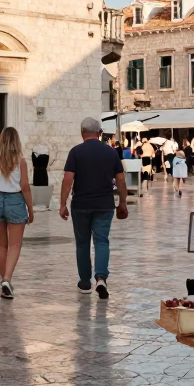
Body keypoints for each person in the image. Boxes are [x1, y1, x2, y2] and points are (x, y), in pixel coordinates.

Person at [59, 116, 129, 299]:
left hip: (81, 205)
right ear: (99, 133)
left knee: (82, 243)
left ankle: (84, 282)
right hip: (104, 205)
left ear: (82, 132)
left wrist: (62, 204)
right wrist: (122, 202)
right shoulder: (111, 153)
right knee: (102, 241)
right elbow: (120, 180)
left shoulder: (75, 152)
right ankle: (101, 278)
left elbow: (67, 180)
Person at [0, 126, 34, 300]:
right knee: (14, 245)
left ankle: (4, 281)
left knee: (1, 244)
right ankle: (7, 279)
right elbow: (25, 187)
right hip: (15, 200)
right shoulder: (20, 160)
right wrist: (30, 209)